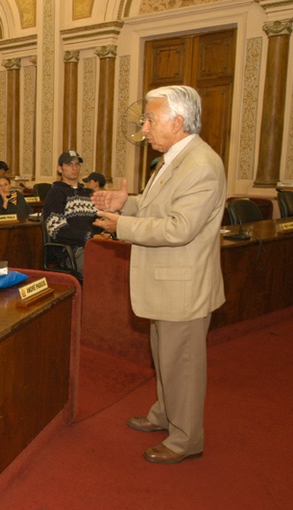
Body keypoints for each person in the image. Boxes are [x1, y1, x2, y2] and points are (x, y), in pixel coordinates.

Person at [92, 85, 226, 464]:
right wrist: (128, 204)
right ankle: (166, 414)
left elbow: (179, 228)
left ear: (177, 122)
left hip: (182, 288)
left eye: (150, 120)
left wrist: (121, 225)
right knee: (166, 358)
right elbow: (161, 207)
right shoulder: (176, 158)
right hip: (167, 284)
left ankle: (185, 439)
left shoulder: (201, 165)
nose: (144, 128)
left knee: (182, 365)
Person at [42, 150, 100, 275]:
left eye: (77, 164)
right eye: (69, 164)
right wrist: (89, 237)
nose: (74, 168)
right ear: (60, 168)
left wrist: (106, 233)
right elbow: (57, 229)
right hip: (71, 252)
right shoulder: (56, 193)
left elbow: (97, 221)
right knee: (104, 269)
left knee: (122, 263)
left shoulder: (87, 193)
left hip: (95, 245)